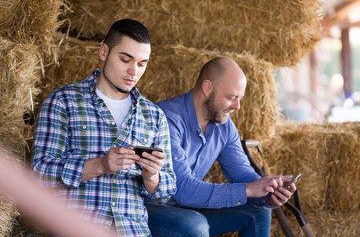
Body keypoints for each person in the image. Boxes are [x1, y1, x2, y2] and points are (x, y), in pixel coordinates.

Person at [32, 19, 176, 237]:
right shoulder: (63, 101)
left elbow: (167, 191)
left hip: (132, 230)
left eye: (141, 63)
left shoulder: (154, 116)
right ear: (103, 52)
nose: (133, 71)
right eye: (125, 59)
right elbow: (39, 174)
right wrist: (100, 165)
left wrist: (151, 176)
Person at [146, 56, 297, 237]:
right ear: (207, 88)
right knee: (195, 225)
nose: (237, 106)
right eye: (231, 97)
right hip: (151, 209)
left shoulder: (224, 125)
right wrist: (249, 189)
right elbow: (183, 189)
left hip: (185, 208)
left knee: (259, 212)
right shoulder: (167, 118)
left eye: (239, 98)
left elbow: (242, 174)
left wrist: (268, 194)